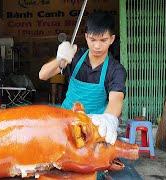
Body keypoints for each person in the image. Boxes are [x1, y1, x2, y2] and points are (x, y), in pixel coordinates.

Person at [39, 11, 126, 145]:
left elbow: (116, 99)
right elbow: (43, 75)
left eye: (103, 40)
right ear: (86, 37)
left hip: (94, 128)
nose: (97, 46)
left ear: (112, 39)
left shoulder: (115, 70)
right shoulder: (75, 57)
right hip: (64, 123)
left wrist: (108, 119)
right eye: (92, 39)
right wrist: (60, 59)